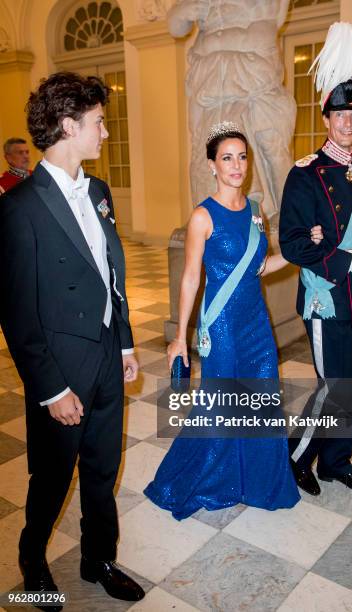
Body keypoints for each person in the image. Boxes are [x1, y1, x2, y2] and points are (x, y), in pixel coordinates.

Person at [0, 72, 145, 610]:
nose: (105, 133)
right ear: (68, 125)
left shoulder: (100, 191)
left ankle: (97, 558)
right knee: (53, 477)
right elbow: (16, 315)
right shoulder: (18, 208)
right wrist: (51, 389)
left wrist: (125, 344)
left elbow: (113, 274)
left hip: (107, 353)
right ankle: (32, 560)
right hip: (61, 369)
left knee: (104, 468)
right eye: (99, 123)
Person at [144, 121, 323, 520]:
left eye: (242, 157)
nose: (237, 165)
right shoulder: (202, 217)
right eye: (227, 158)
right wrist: (180, 337)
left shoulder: (257, 211)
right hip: (221, 323)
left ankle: (257, 480)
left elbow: (260, 266)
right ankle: (205, 478)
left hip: (256, 322)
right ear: (212, 165)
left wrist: (301, 249)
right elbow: (192, 277)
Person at [279, 22, 352, 497]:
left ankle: (336, 463)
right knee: (331, 385)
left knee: (351, 385)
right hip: (325, 297)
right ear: (326, 117)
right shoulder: (305, 174)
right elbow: (294, 244)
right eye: (341, 114)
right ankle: (299, 457)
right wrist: (349, 264)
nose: (349, 122)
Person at [167, 0, 294, 230]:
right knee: (205, 152)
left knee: (270, 146)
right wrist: (192, 7)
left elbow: (269, 20)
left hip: (253, 74)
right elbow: (176, 26)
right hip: (209, 82)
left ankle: (284, 213)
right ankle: (213, 217)